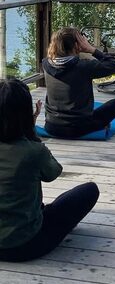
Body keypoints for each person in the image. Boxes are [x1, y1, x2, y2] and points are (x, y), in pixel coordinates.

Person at [0, 79, 99, 262]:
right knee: (89, 191)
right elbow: (53, 172)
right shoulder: (32, 151)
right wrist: (31, 132)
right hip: (24, 245)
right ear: (24, 114)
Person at [43, 27, 115, 138]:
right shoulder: (83, 67)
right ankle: (97, 126)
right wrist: (92, 49)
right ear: (77, 45)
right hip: (78, 128)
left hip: (51, 126)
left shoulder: (46, 64)